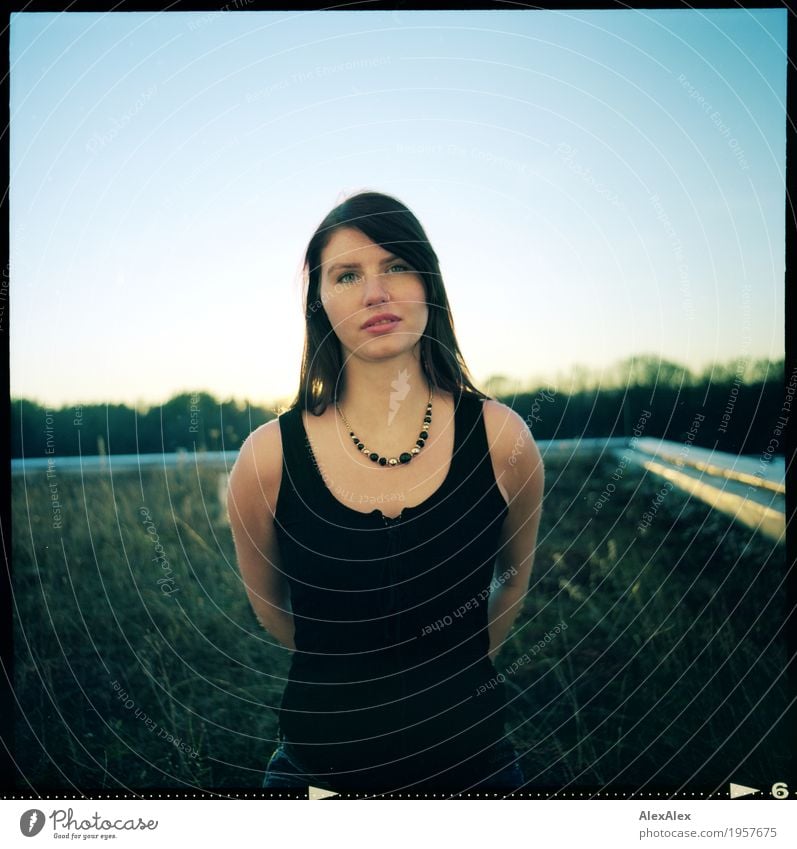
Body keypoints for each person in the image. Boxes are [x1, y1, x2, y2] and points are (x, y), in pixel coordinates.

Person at [227, 190, 545, 794]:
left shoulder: (503, 439)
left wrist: (442, 675)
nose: (376, 293)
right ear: (320, 302)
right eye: (347, 275)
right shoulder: (267, 460)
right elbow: (276, 613)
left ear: (428, 283)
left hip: (475, 771)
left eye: (396, 265)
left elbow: (511, 583)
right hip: (318, 774)